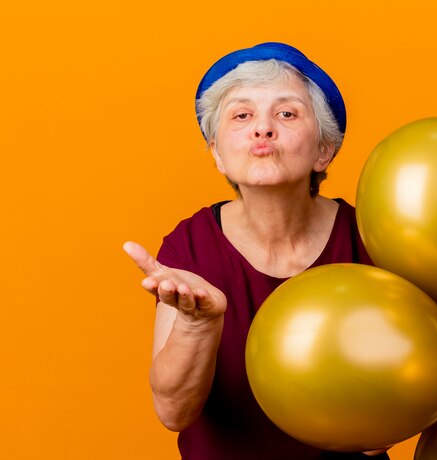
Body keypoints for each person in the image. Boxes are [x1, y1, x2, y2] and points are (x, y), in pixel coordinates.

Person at [124, 42, 391, 460]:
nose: (262, 129)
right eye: (242, 115)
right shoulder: (189, 246)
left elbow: (385, 426)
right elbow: (174, 412)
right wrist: (197, 325)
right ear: (217, 154)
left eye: (286, 114)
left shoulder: (372, 238)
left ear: (325, 150)